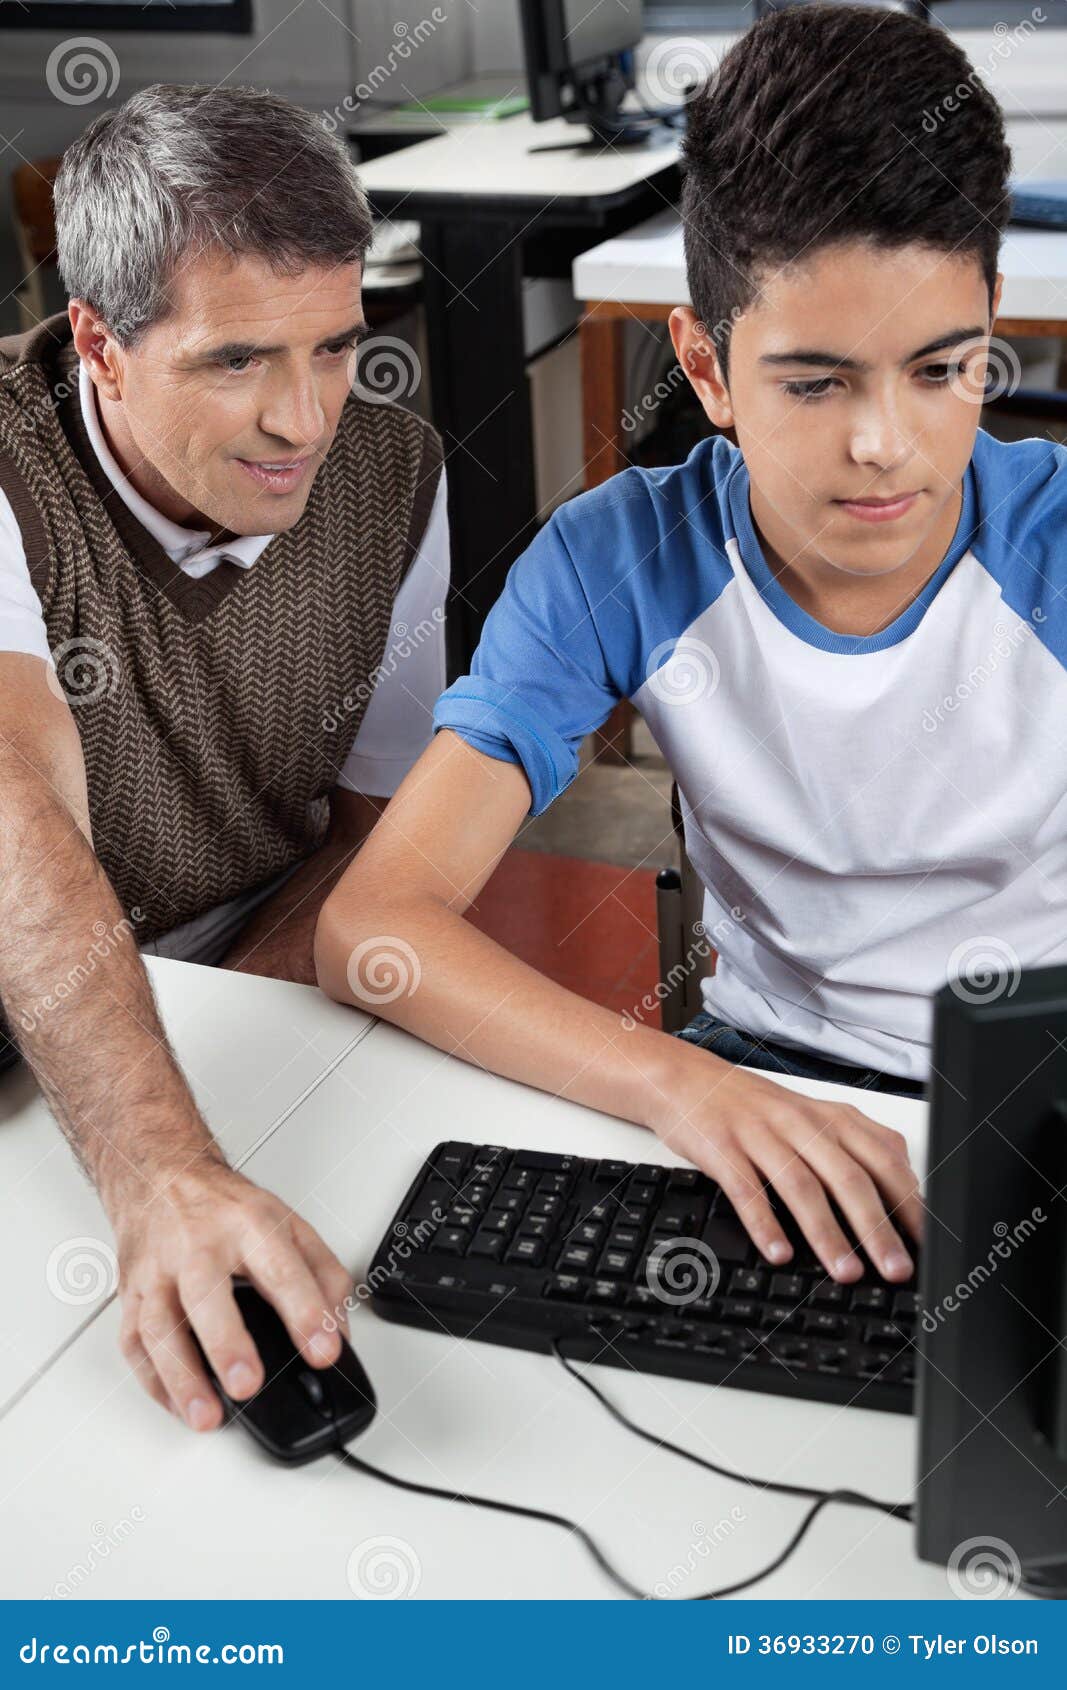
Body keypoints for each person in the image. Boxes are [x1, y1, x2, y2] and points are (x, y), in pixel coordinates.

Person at [316, 6, 1066, 1286]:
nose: (882, 444)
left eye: (938, 370)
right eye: (813, 383)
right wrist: (678, 1084)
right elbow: (371, 927)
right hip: (759, 1079)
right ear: (706, 369)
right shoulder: (616, 561)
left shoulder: (1045, 549)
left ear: (988, 323)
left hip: (1031, 1111)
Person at [0, 85, 447, 1427]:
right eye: (238, 360)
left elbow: (377, 821)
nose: (303, 420)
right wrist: (161, 1168)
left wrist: (227, 1044)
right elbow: (18, 807)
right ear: (100, 343)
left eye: (332, 349)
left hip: (253, 968)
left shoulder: (397, 471)